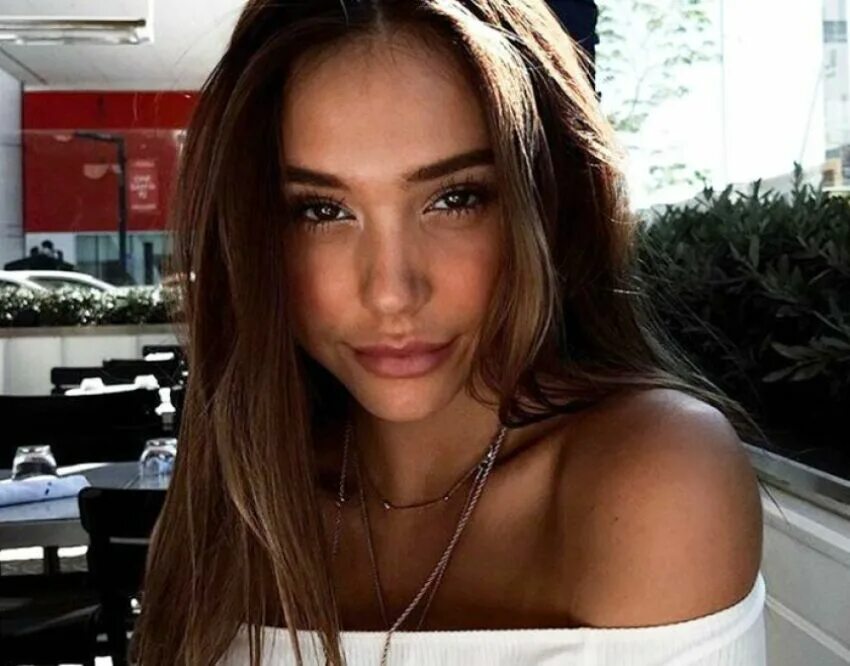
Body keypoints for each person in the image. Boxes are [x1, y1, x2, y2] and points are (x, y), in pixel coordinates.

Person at [132, 2, 768, 665]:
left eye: (455, 198)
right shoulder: (237, 499)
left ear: (547, 204)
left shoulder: (650, 482)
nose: (391, 291)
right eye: (321, 210)